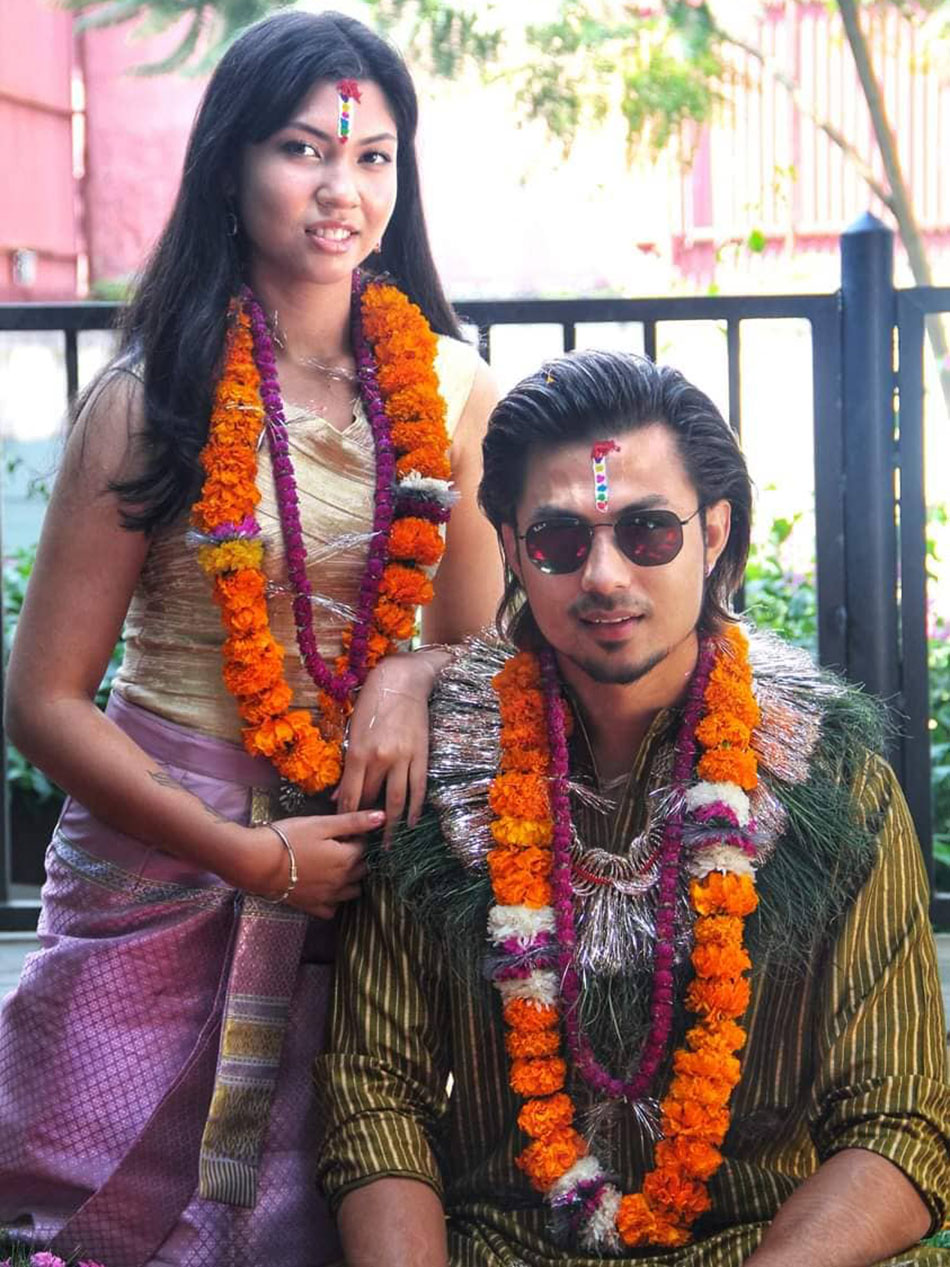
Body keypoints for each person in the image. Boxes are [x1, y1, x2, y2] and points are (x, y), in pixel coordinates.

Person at [0, 10, 500, 1266]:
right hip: (157, 855)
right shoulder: (149, 399)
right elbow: (43, 699)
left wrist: (406, 671)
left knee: (316, 1212)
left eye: (373, 157)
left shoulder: (452, 392)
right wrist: (248, 855)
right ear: (229, 162)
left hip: (355, 866)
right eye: (301, 149)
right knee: (93, 1223)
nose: (341, 189)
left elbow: (486, 652)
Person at [316, 350, 950, 1266]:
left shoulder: (832, 776)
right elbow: (377, 1095)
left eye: (648, 531)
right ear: (510, 547)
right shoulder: (437, 771)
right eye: (559, 541)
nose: (605, 576)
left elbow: (898, 1120)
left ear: (714, 530)